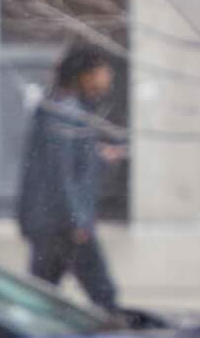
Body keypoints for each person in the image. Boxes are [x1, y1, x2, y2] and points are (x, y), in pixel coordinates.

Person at [16, 44, 126, 311]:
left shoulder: (62, 110)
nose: (107, 78)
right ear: (85, 75)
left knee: (41, 293)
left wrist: (99, 156)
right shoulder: (65, 114)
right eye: (103, 72)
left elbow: (66, 165)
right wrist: (78, 222)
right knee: (102, 294)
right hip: (63, 225)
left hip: (54, 223)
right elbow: (60, 173)